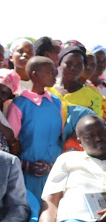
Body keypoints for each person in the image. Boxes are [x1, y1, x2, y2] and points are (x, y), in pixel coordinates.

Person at [6, 56, 63, 202]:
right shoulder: (19, 105)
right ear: (34, 74)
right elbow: (10, 145)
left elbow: (59, 137)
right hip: (30, 174)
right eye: (50, 71)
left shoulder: (56, 102)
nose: (55, 74)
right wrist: (26, 166)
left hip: (55, 173)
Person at [48, 42, 106, 121]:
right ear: (59, 63)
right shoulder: (47, 90)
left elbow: (92, 128)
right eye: (68, 64)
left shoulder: (92, 97)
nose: (73, 68)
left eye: (79, 65)